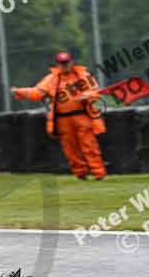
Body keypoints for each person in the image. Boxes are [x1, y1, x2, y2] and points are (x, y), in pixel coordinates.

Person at [12, 51, 107, 180]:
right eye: (62, 63)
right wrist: (20, 91)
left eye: (66, 63)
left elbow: (95, 91)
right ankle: (80, 174)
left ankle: (99, 173)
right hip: (62, 120)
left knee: (89, 145)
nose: (64, 66)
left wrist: (87, 96)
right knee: (70, 149)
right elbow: (36, 93)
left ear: (71, 62)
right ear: (58, 65)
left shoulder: (83, 76)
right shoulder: (51, 79)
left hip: (82, 116)